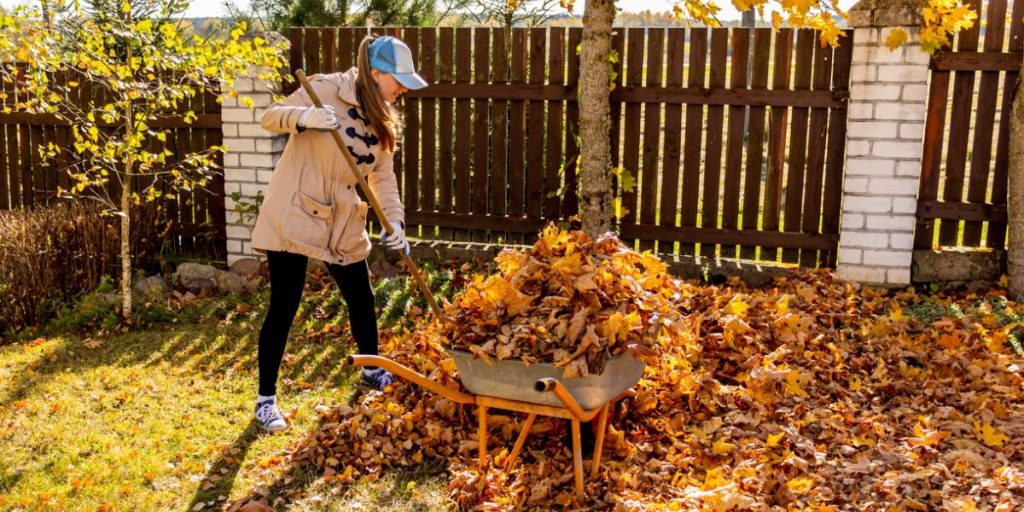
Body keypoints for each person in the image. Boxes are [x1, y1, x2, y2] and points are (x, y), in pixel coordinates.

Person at [248, 35, 428, 432]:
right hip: (296, 209)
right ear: (376, 73)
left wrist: (395, 222)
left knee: (361, 298)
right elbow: (270, 116)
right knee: (285, 304)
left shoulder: (383, 114)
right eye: (398, 80)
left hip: (344, 218)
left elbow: (383, 175)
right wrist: (305, 118)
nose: (402, 89)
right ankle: (265, 401)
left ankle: (370, 370)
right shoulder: (325, 89)